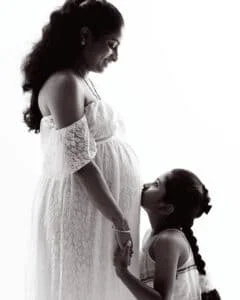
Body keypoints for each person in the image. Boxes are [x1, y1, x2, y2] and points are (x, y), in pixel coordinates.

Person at [21, 0, 141, 299]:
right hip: (80, 208)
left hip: (96, 208)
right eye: (111, 44)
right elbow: (81, 163)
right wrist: (119, 220)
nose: (115, 55)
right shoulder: (65, 83)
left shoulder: (79, 80)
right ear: (85, 35)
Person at [114, 169, 221, 300]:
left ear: (166, 208)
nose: (145, 185)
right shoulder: (153, 235)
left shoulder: (168, 241)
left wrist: (122, 271)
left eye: (156, 185)